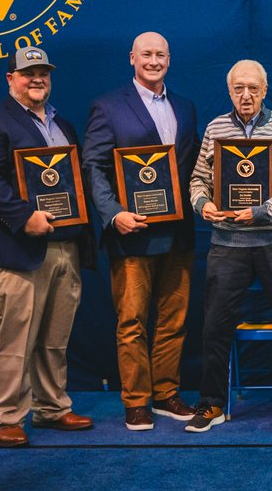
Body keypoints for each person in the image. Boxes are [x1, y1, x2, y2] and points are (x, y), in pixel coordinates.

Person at [0, 46, 96, 448]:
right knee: (15, 338)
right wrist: (24, 217)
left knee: (55, 337)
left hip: (64, 247)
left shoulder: (64, 126)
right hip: (16, 249)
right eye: (27, 73)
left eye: (43, 73)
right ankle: (5, 415)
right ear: (10, 79)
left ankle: (52, 407)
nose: (37, 79)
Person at [185, 60, 272, 432]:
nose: (245, 95)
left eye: (253, 88)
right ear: (230, 91)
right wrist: (205, 205)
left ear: (264, 90)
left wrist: (261, 211)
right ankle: (212, 403)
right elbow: (198, 179)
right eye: (238, 89)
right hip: (228, 242)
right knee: (214, 325)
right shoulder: (216, 128)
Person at [83, 32, 200, 431]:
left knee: (174, 318)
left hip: (180, 232)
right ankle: (136, 401)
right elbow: (93, 167)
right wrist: (113, 213)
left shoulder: (185, 107)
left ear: (169, 59)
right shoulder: (109, 106)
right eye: (146, 54)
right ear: (132, 57)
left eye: (161, 54)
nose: (154, 60)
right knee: (131, 320)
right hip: (132, 232)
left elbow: (195, 170)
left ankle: (167, 393)